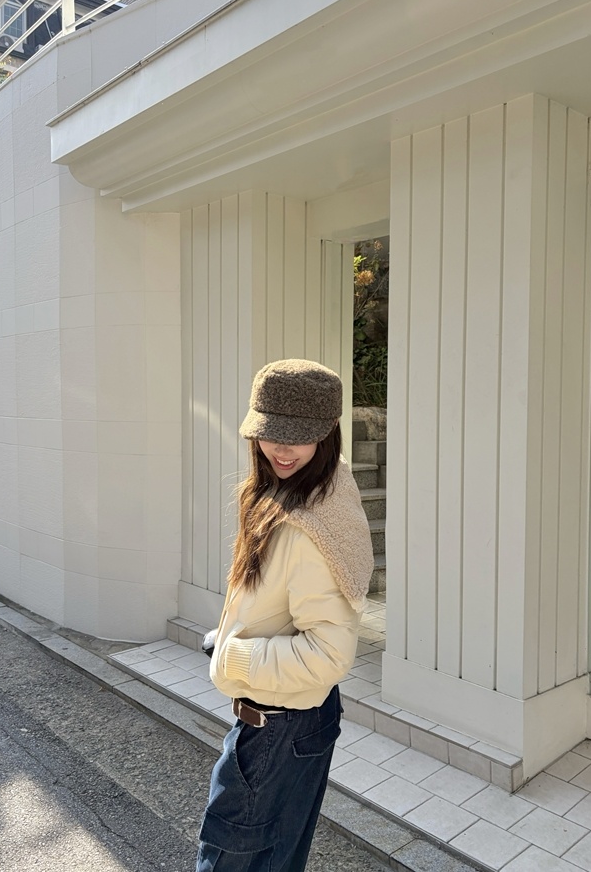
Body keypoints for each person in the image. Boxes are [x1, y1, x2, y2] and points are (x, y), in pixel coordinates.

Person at [196, 358, 374, 872]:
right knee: (275, 859)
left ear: (327, 433)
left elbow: (329, 654)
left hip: (277, 725)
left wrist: (233, 657)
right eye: (271, 432)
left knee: (231, 860)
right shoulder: (308, 488)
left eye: (299, 436)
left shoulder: (307, 524)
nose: (281, 448)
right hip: (294, 718)